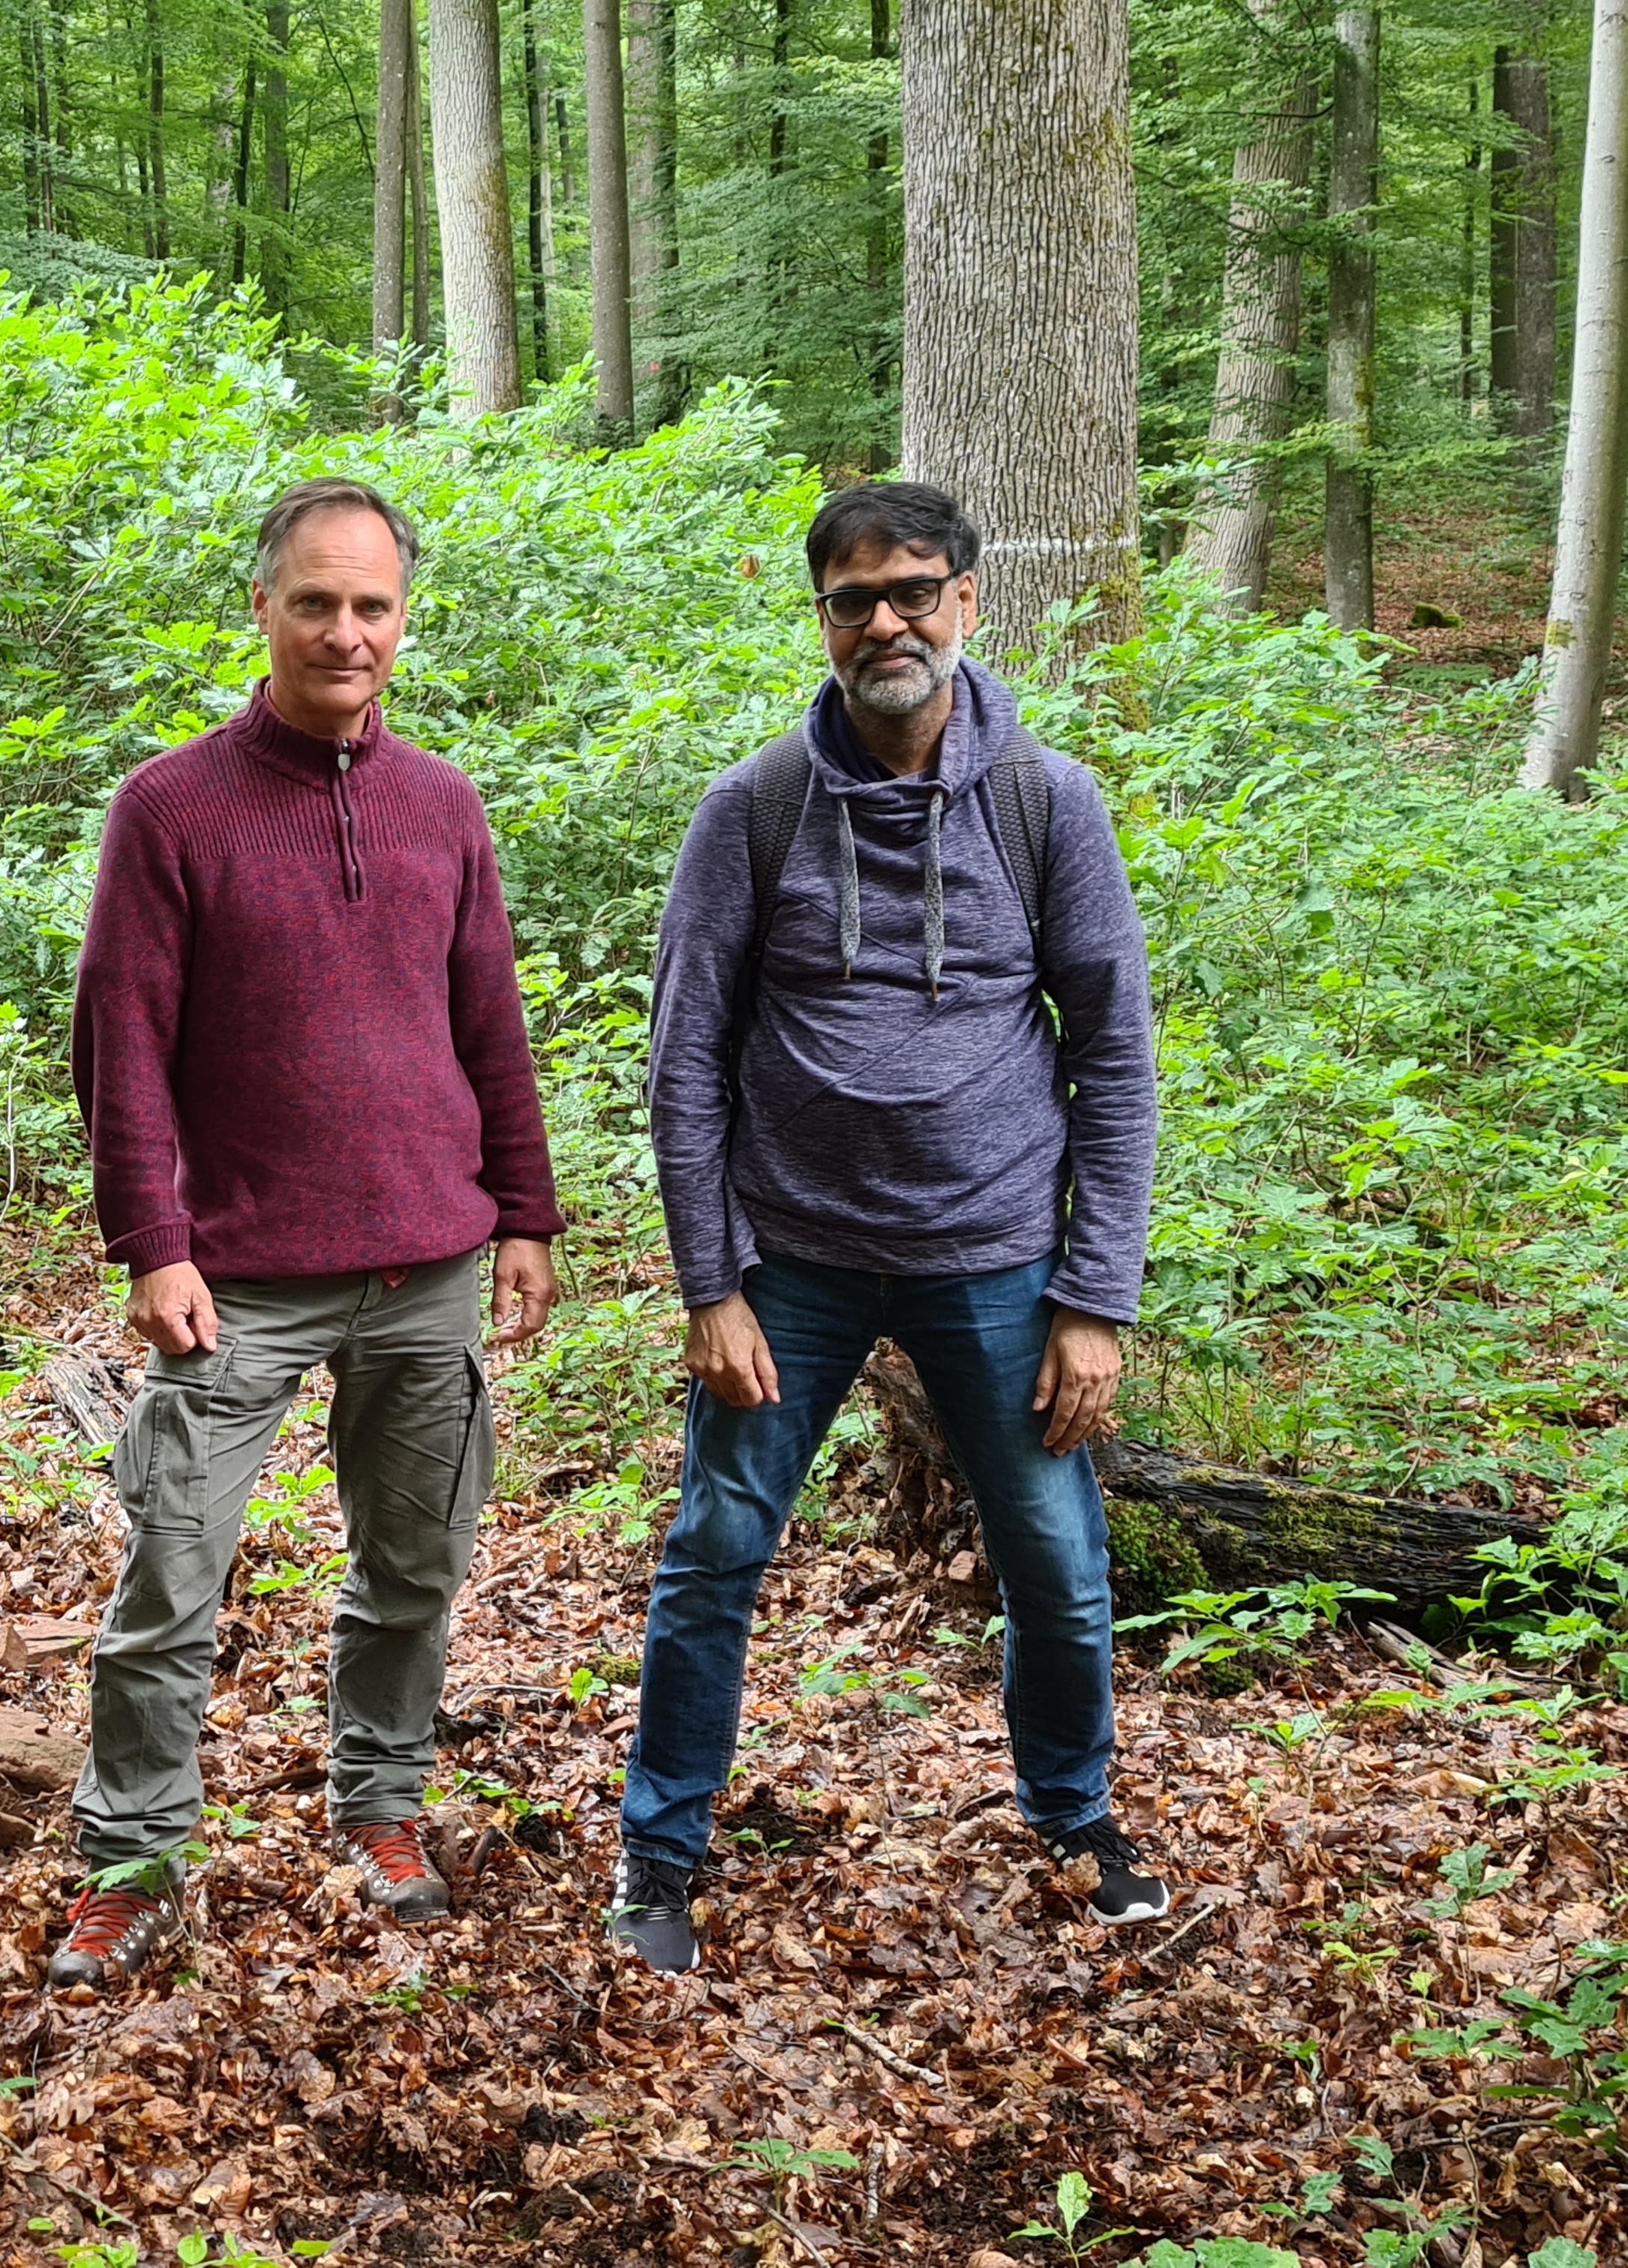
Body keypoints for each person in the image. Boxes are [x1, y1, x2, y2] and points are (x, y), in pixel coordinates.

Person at [610, 479, 1163, 1973]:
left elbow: (1113, 1055)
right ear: (824, 620)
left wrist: (1096, 1297)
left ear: (969, 604)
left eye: (915, 590)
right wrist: (708, 1283)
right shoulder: (756, 811)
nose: (887, 622)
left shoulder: (1048, 804)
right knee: (716, 1550)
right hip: (790, 1265)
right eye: (855, 599)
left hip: (996, 1262)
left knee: (1053, 1558)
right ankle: (660, 1855)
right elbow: (683, 1060)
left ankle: (1077, 1818)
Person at [50, 477, 564, 1990]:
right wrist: (155, 1240)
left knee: (415, 1567)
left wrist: (526, 1212)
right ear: (263, 609)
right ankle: (133, 1860)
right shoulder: (172, 807)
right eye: (318, 602)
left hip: (429, 1267)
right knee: (173, 1579)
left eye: (375, 606)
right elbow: (121, 1046)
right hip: (237, 1280)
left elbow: (491, 1024)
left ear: (403, 621)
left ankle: (381, 1805)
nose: (348, 633)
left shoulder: (444, 804)